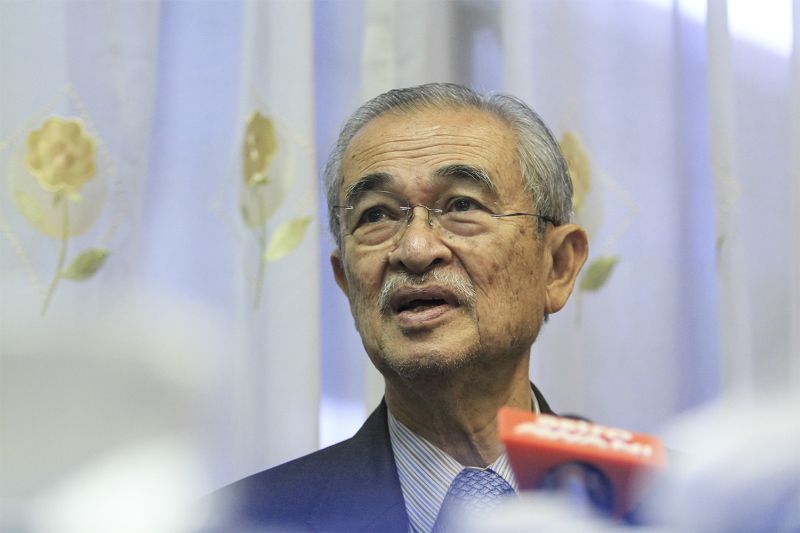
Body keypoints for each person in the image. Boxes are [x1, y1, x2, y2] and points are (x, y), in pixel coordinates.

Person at [216, 82, 589, 532]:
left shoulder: (670, 509)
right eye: (376, 215)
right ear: (347, 285)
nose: (414, 249)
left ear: (557, 267)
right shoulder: (239, 522)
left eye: (461, 205)